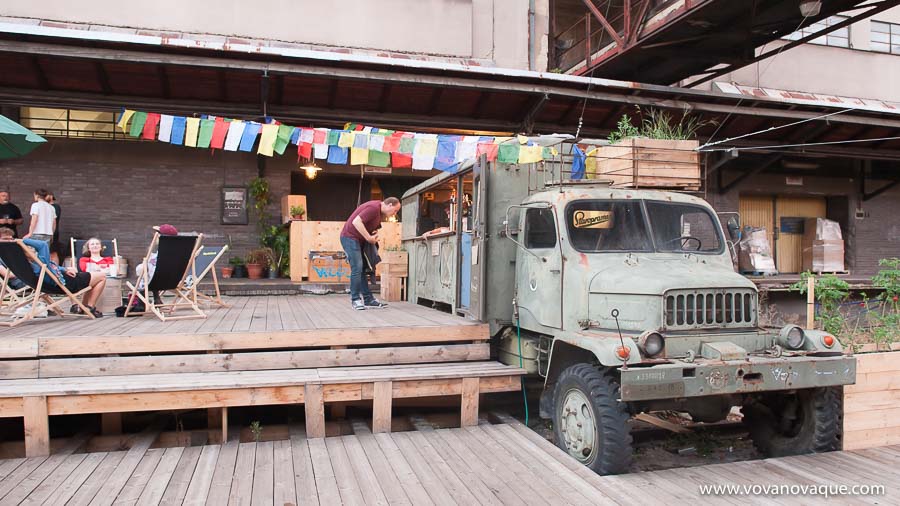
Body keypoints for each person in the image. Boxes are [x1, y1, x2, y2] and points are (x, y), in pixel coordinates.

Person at [0, 227, 106, 317]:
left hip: (58, 279)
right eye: (6, 239)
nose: (9, 241)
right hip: (62, 283)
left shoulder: (22, 261)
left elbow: (50, 266)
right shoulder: (35, 263)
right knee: (102, 276)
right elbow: (42, 245)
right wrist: (20, 240)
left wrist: (65, 269)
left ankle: (84, 308)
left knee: (91, 278)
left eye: (11, 239)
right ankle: (90, 307)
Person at [339, 197, 401, 310]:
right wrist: (368, 238)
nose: (394, 214)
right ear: (390, 205)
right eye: (395, 210)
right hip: (349, 238)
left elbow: (367, 226)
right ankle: (355, 300)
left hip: (358, 240)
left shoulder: (379, 213)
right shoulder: (373, 208)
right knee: (357, 267)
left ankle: (368, 299)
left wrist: (373, 233)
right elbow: (356, 222)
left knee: (362, 268)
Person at [133, 224, 178, 306]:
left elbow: (147, 269)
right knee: (150, 270)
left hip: (156, 281)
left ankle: (141, 302)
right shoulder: (177, 252)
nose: (154, 235)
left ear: (161, 237)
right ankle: (156, 298)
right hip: (174, 281)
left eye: (157, 233)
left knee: (141, 269)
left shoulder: (158, 254)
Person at [46, 192, 61, 264]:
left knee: (53, 253)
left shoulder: (55, 207)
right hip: (46, 233)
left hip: (52, 232)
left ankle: (56, 271)